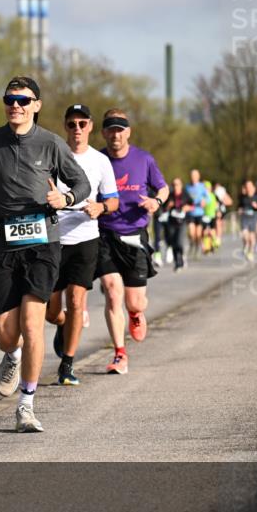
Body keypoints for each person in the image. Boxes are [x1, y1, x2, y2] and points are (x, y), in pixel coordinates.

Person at [0, 76, 90, 432]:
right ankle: (12, 355)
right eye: (9, 99)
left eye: (23, 99)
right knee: (6, 333)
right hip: (2, 243)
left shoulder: (51, 143)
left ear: (36, 105)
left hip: (41, 243)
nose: (15, 105)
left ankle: (26, 404)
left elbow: (82, 184)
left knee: (33, 324)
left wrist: (65, 198)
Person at [45, 104, 119, 386]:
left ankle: (67, 364)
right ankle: (62, 324)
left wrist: (100, 207)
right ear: (65, 127)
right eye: (72, 124)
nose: (77, 129)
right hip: (53, 239)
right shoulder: (53, 156)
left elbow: (113, 200)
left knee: (77, 300)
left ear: (90, 127)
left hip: (85, 238)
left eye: (82, 123)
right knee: (51, 311)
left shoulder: (101, 161)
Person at [95, 109, 168, 375]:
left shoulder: (144, 159)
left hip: (135, 235)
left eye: (120, 129)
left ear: (128, 132)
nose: (115, 134)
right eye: (110, 129)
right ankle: (120, 354)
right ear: (103, 133)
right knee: (113, 292)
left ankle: (136, 315)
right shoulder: (97, 159)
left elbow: (163, 188)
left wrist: (156, 201)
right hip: (104, 234)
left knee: (134, 302)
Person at [163, 177, 192, 271]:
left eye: (177, 184)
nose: (176, 186)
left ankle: (181, 258)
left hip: (182, 222)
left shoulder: (185, 194)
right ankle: (177, 262)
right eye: (174, 185)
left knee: (179, 241)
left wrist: (187, 207)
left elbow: (193, 205)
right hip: (171, 222)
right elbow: (163, 209)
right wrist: (168, 206)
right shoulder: (170, 195)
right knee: (173, 242)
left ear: (181, 185)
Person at [238, 179, 257, 261]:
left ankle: (251, 252)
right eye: (247, 186)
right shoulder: (243, 196)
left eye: (250, 186)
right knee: (245, 236)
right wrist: (240, 209)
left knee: (252, 237)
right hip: (244, 218)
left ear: (253, 187)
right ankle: (245, 246)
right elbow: (239, 206)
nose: (248, 187)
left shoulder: (256, 197)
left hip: (253, 218)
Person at [185, 169, 208, 258]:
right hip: (191, 213)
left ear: (198, 177)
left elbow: (208, 198)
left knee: (198, 234)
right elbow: (184, 198)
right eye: (192, 176)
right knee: (191, 233)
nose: (193, 178)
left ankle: (197, 247)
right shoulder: (187, 187)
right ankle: (192, 243)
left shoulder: (202, 186)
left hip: (199, 213)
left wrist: (204, 201)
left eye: (195, 176)